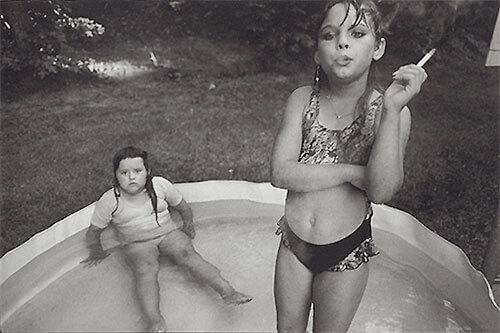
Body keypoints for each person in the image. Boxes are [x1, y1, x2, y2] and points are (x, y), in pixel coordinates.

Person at [270, 0, 428, 331]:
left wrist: (391, 111)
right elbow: (281, 173)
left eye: (357, 34)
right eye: (330, 35)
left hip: (345, 250)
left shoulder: (389, 113)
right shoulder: (302, 100)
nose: (342, 43)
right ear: (317, 52)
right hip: (294, 242)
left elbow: (382, 189)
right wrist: (352, 172)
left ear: (378, 48)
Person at [82, 146, 252, 333]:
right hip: (137, 243)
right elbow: (94, 231)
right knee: (145, 269)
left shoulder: (160, 186)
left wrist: (188, 224)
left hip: (168, 234)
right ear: (116, 175)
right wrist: (95, 249)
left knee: (187, 254)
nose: (131, 177)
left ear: (148, 172)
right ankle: (154, 320)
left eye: (137, 171)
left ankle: (227, 291)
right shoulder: (110, 200)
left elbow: (183, 207)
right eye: (124, 172)